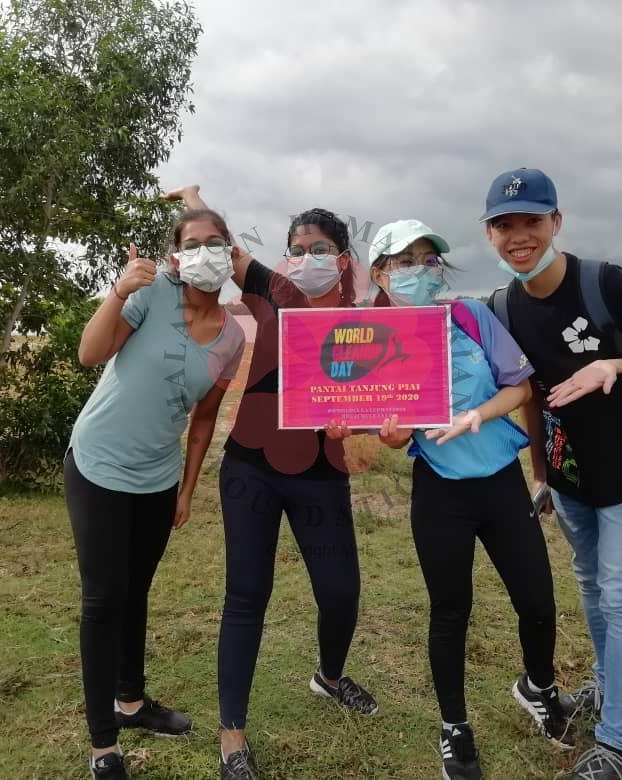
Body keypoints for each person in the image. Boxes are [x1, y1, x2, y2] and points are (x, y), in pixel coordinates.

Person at [164, 186, 377, 780]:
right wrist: (194, 198)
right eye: (296, 249)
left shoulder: (364, 323)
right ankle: (232, 735)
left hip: (322, 475)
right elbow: (221, 248)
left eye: (320, 249)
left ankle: (329, 677)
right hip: (251, 469)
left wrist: (368, 425)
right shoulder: (275, 291)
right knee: (246, 596)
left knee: (341, 594)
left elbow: (383, 397)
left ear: (344, 259)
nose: (307, 258)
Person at [480, 167, 622, 780]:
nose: (519, 236)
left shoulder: (606, 283)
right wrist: (540, 472)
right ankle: (604, 685)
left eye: (532, 221)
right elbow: (530, 394)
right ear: (489, 235)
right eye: (504, 225)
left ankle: (616, 743)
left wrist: (612, 366)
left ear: (556, 222)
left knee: (620, 598)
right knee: (591, 584)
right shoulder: (502, 306)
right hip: (568, 473)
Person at [366, 219, 575, 780]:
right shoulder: (372, 338)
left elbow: (520, 386)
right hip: (441, 492)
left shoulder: (470, 317)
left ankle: (539, 688)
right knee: (451, 611)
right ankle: (454, 727)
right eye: (405, 261)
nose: (420, 270)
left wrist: (478, 414)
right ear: (380, 274)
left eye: (429, 259)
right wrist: (390, 435)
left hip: (501, 481)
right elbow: (384, 432)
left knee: (537, 599)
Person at [65, 209, 246, 780]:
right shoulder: (152, 293)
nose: (205, 252)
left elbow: (203, 419)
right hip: (98, 463)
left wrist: (186, 489)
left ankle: (131, 701)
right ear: (176, 256)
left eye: (216, 242)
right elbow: (90, 353)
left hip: (158, 478)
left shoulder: (232, 338)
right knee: (103, 600)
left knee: (135, 590)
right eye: (193, 243)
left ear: (229, 250)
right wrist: (119, 290)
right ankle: (103, 744)